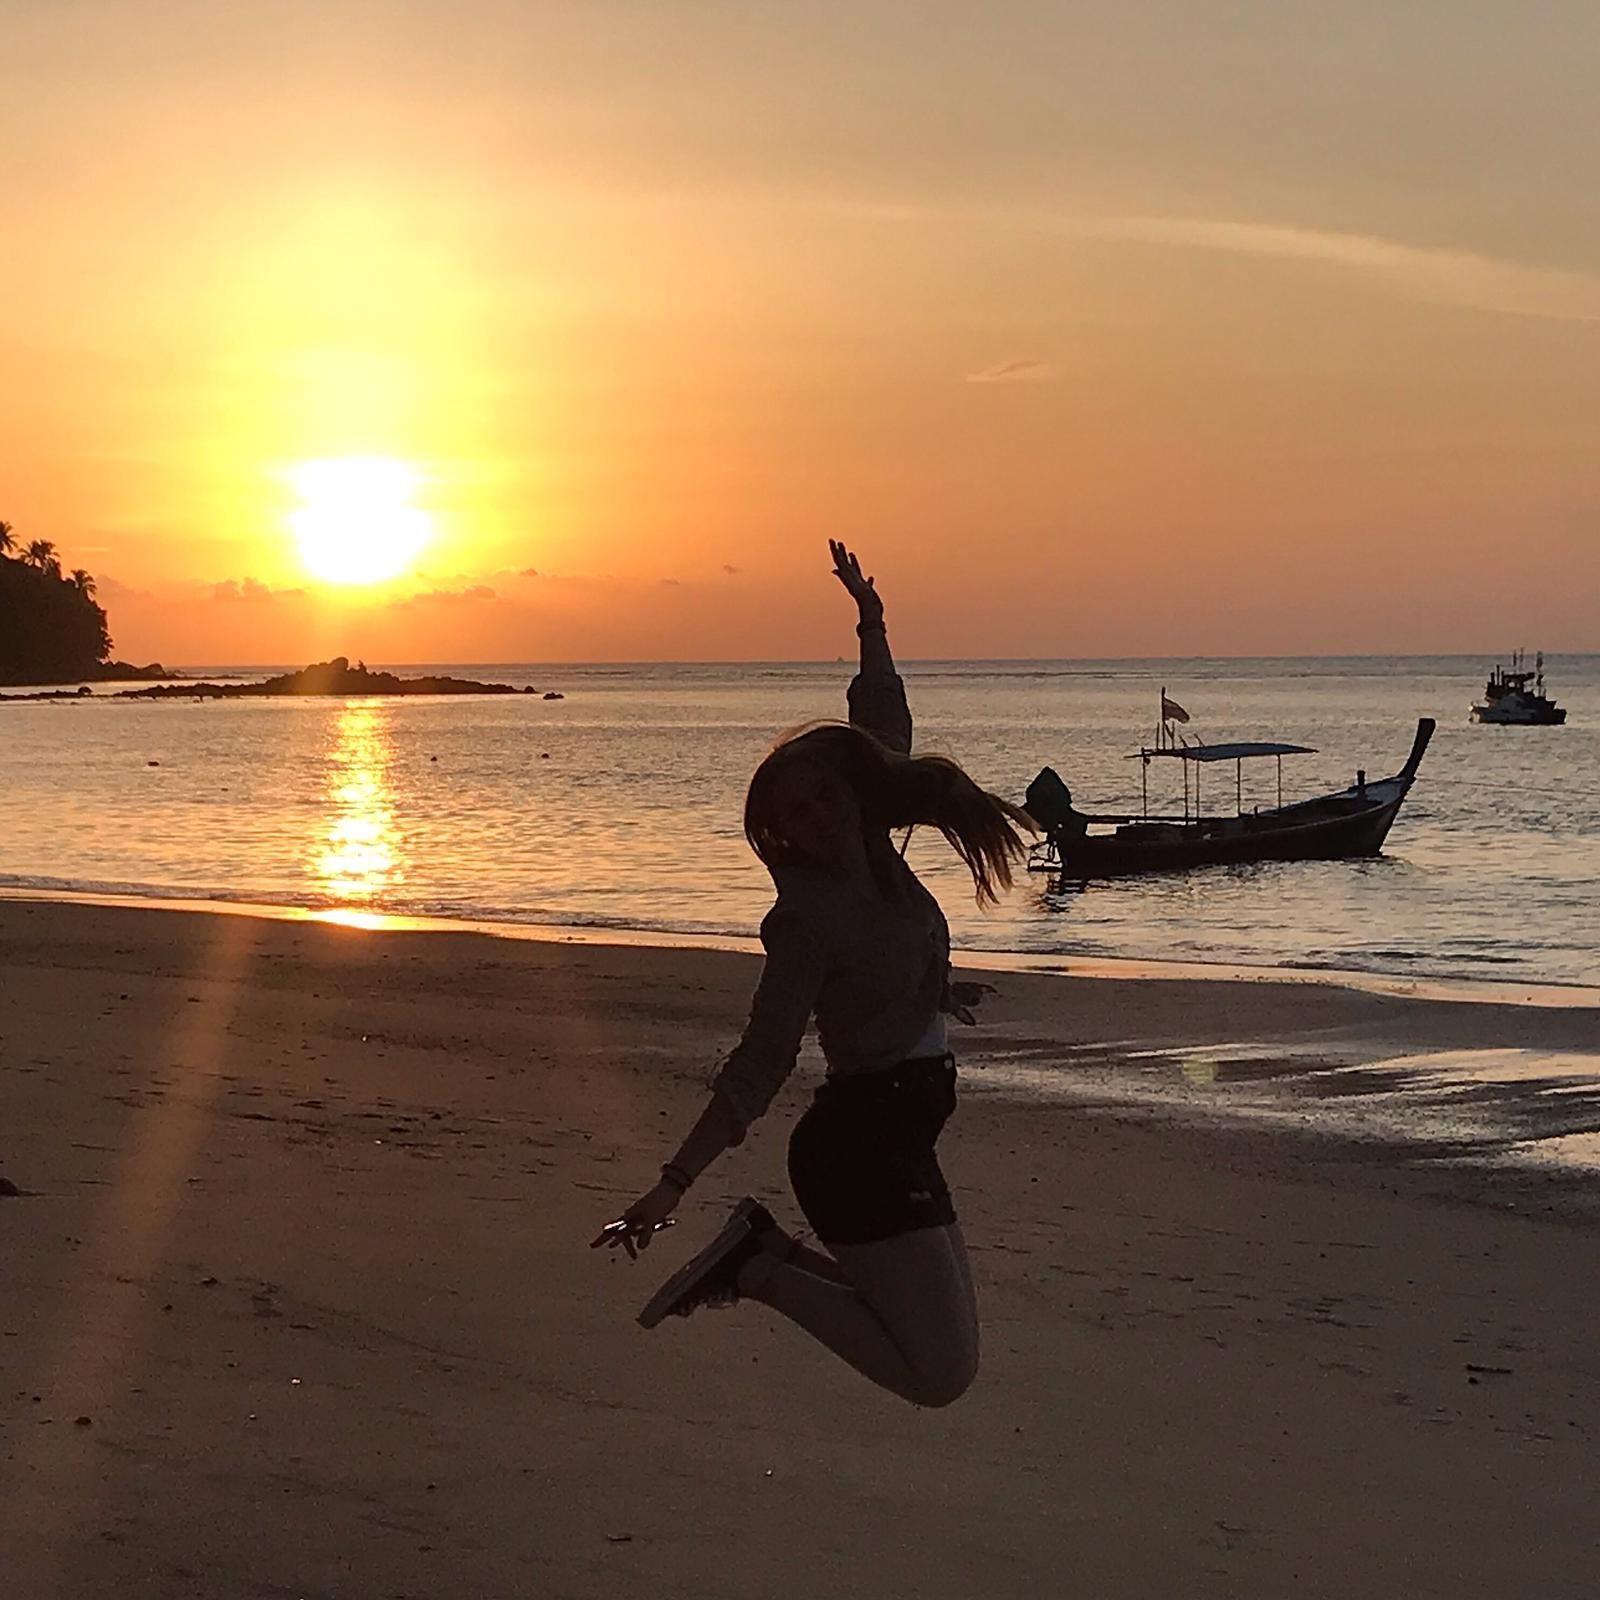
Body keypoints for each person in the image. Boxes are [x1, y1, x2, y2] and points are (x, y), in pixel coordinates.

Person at [593, 541, 1031, 1407]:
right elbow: (759, 1064)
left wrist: (871, 619)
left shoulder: (876, 854)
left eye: (825, 795)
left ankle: (760, 1254)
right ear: (780, 835)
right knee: (939, 1373)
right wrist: (670, 1185)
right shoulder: (803, 921)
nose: (819, 816)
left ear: (848, 791)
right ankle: (757, 1269)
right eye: (794, 814)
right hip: (855, 1151)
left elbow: (882, 723)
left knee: (950, 1353)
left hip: (902, 1137)